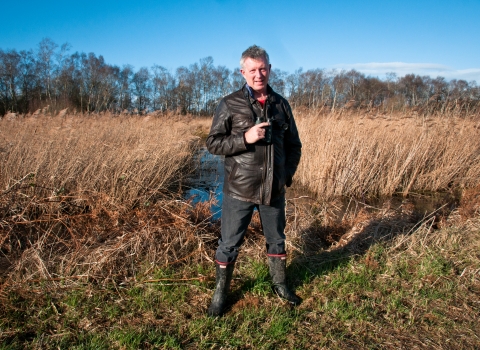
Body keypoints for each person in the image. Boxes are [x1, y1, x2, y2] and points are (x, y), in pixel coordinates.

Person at [205, 45, 302, 317]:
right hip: (240, 189)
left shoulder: (281, 104)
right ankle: (220, 294)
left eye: (262, 69)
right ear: (242, 72)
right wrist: (244, 139)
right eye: (252, 70)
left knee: (277, 240)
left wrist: (286, 176)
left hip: (274, 189)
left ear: (269, 70)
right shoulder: (229, 103)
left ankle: (280, 285)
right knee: (229, 244)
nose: (258, 74)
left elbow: (295, 146)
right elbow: (212, 143)